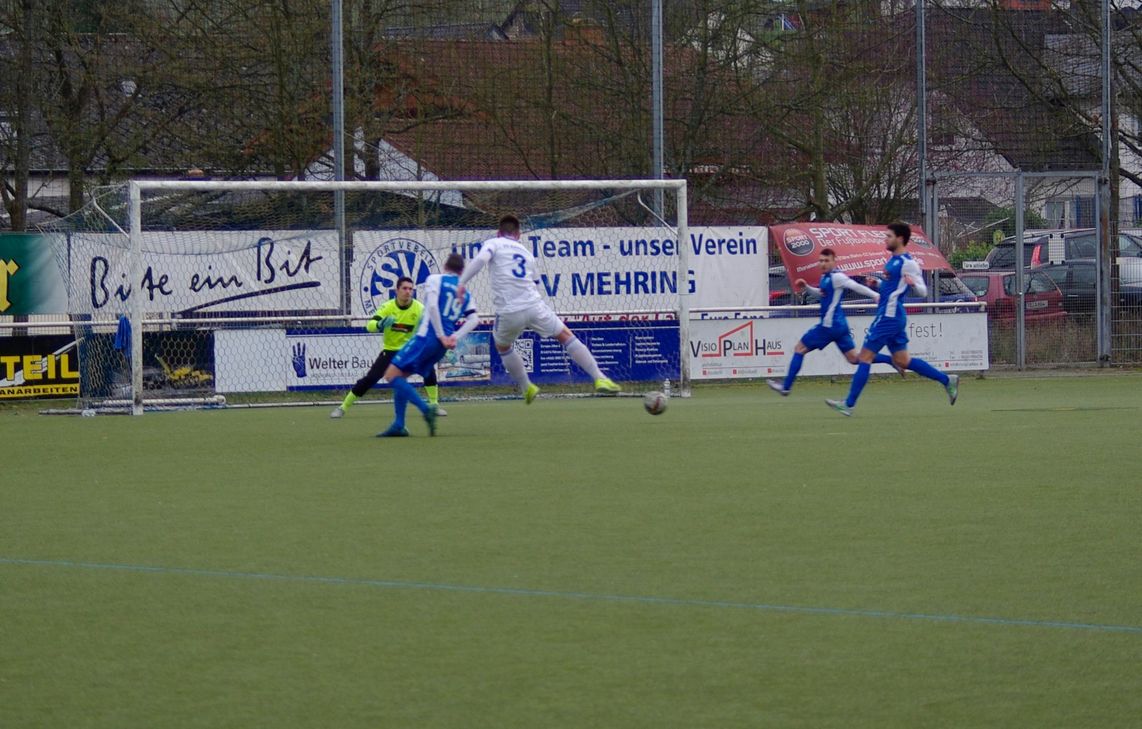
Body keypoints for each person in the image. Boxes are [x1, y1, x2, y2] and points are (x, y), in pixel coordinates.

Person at [456, 214, 620, 403]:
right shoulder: (526, 253)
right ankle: (600, 377)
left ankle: (527, 387)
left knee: (503, 346)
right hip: (534, 305)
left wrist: (461, 283)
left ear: (499, 232)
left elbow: (480, 260)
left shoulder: (494, 243)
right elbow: (536, 283)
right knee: (566, 336)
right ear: (519, 234)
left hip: (509, 310)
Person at [825, 222, 959, 416]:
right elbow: (892, 286)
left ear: (900, 238)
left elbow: (923, 291)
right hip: (893, 315)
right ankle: (947, 380)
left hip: (889, 316)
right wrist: (877, 284)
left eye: (889, 236)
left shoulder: (908, 263)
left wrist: (913, 284)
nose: (885, 239)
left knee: (864, 357)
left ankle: (849, 404)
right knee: (903, 360)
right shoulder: (893, 260)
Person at [766, 248, 901, 396]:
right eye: (821, 261)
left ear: (834, 261)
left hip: (828, 326)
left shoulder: (838, 277)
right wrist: (806, 287)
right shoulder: (826, 277)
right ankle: (890, 360)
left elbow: (855, 286)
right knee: (854, 358)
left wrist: (875, 295)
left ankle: (786, 386)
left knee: (799, 349)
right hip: (839, 326)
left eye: (826, 261)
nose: (823, 264)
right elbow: (821, 295)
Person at [377, 254, 479, 437]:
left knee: (391, 375)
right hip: (441, 347)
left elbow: (432, 307)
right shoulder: (465, 292)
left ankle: (426, 410)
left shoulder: (435, 279)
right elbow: (474, 320)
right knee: (401, 376)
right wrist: (454, 337)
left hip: (427, 338)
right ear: (462, 271)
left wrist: (440, 335)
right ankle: (399, 425)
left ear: (445, 266)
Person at [330, 276, 446, 419]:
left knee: (429, 371)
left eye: (411, 289)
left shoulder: (420, 309)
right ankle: (343, 407)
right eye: (404, 288)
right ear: (397, 290)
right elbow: (370, 326)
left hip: (410, 350)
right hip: (391, 351)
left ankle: (434, 405)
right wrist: (380, 324)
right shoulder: (387, 307)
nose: (408, 292)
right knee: (370, 378)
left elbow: (430, 327)